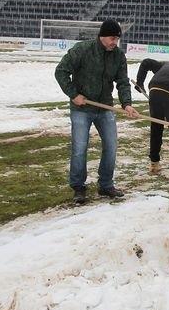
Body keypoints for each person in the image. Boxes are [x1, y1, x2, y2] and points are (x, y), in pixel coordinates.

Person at [55, 19, 138, 204]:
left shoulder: (118, 56)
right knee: (79, 148)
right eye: (111, 38)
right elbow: (60, 71)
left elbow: (123, 82)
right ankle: (78, 187)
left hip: (105, 107)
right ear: (101, 36)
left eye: (116, 39)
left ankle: (106, 185)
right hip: (81, 108)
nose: (114, 42)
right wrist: (73, 94)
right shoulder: (82, 50)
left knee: (111, 146)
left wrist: (127, 104)